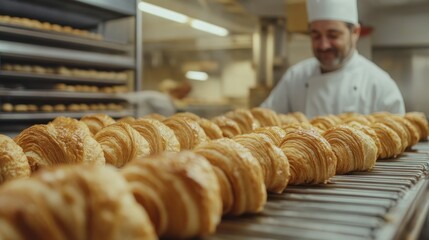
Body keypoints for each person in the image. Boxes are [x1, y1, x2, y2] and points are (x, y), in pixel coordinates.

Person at [261, 0, 405, 119]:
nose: (323, 45)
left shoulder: (380, 86)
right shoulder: (295, 77)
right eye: (316, 35)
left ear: (355, 33)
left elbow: (398, 142)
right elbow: (263, 120)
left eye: (333, 35)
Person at [120, 79, 192, 118]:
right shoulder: (164, 101)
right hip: (133, 119)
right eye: (185, 93)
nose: (185, 96)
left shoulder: (163, 99)